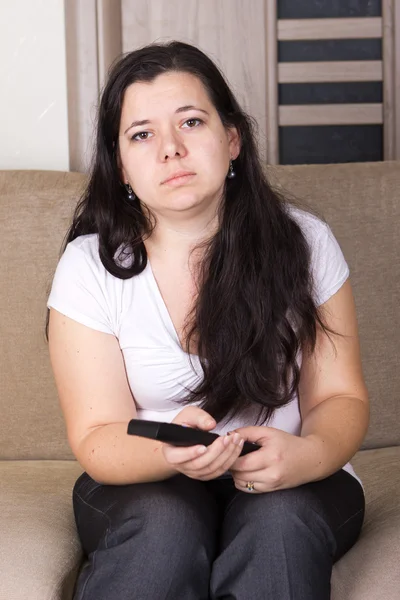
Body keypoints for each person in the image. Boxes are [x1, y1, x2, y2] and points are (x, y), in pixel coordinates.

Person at [45, 40, 369, 600]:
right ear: (121, 163)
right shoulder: (90, 266)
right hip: (145, 482)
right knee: (165, 528)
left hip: (291, 478)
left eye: (191, 121)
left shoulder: (304, 243)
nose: (170, 149)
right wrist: (167, 454)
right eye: (141, 134)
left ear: (232, 139)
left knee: (278, 525)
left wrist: (305, 456)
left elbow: (340, 398)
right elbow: (97, 435)